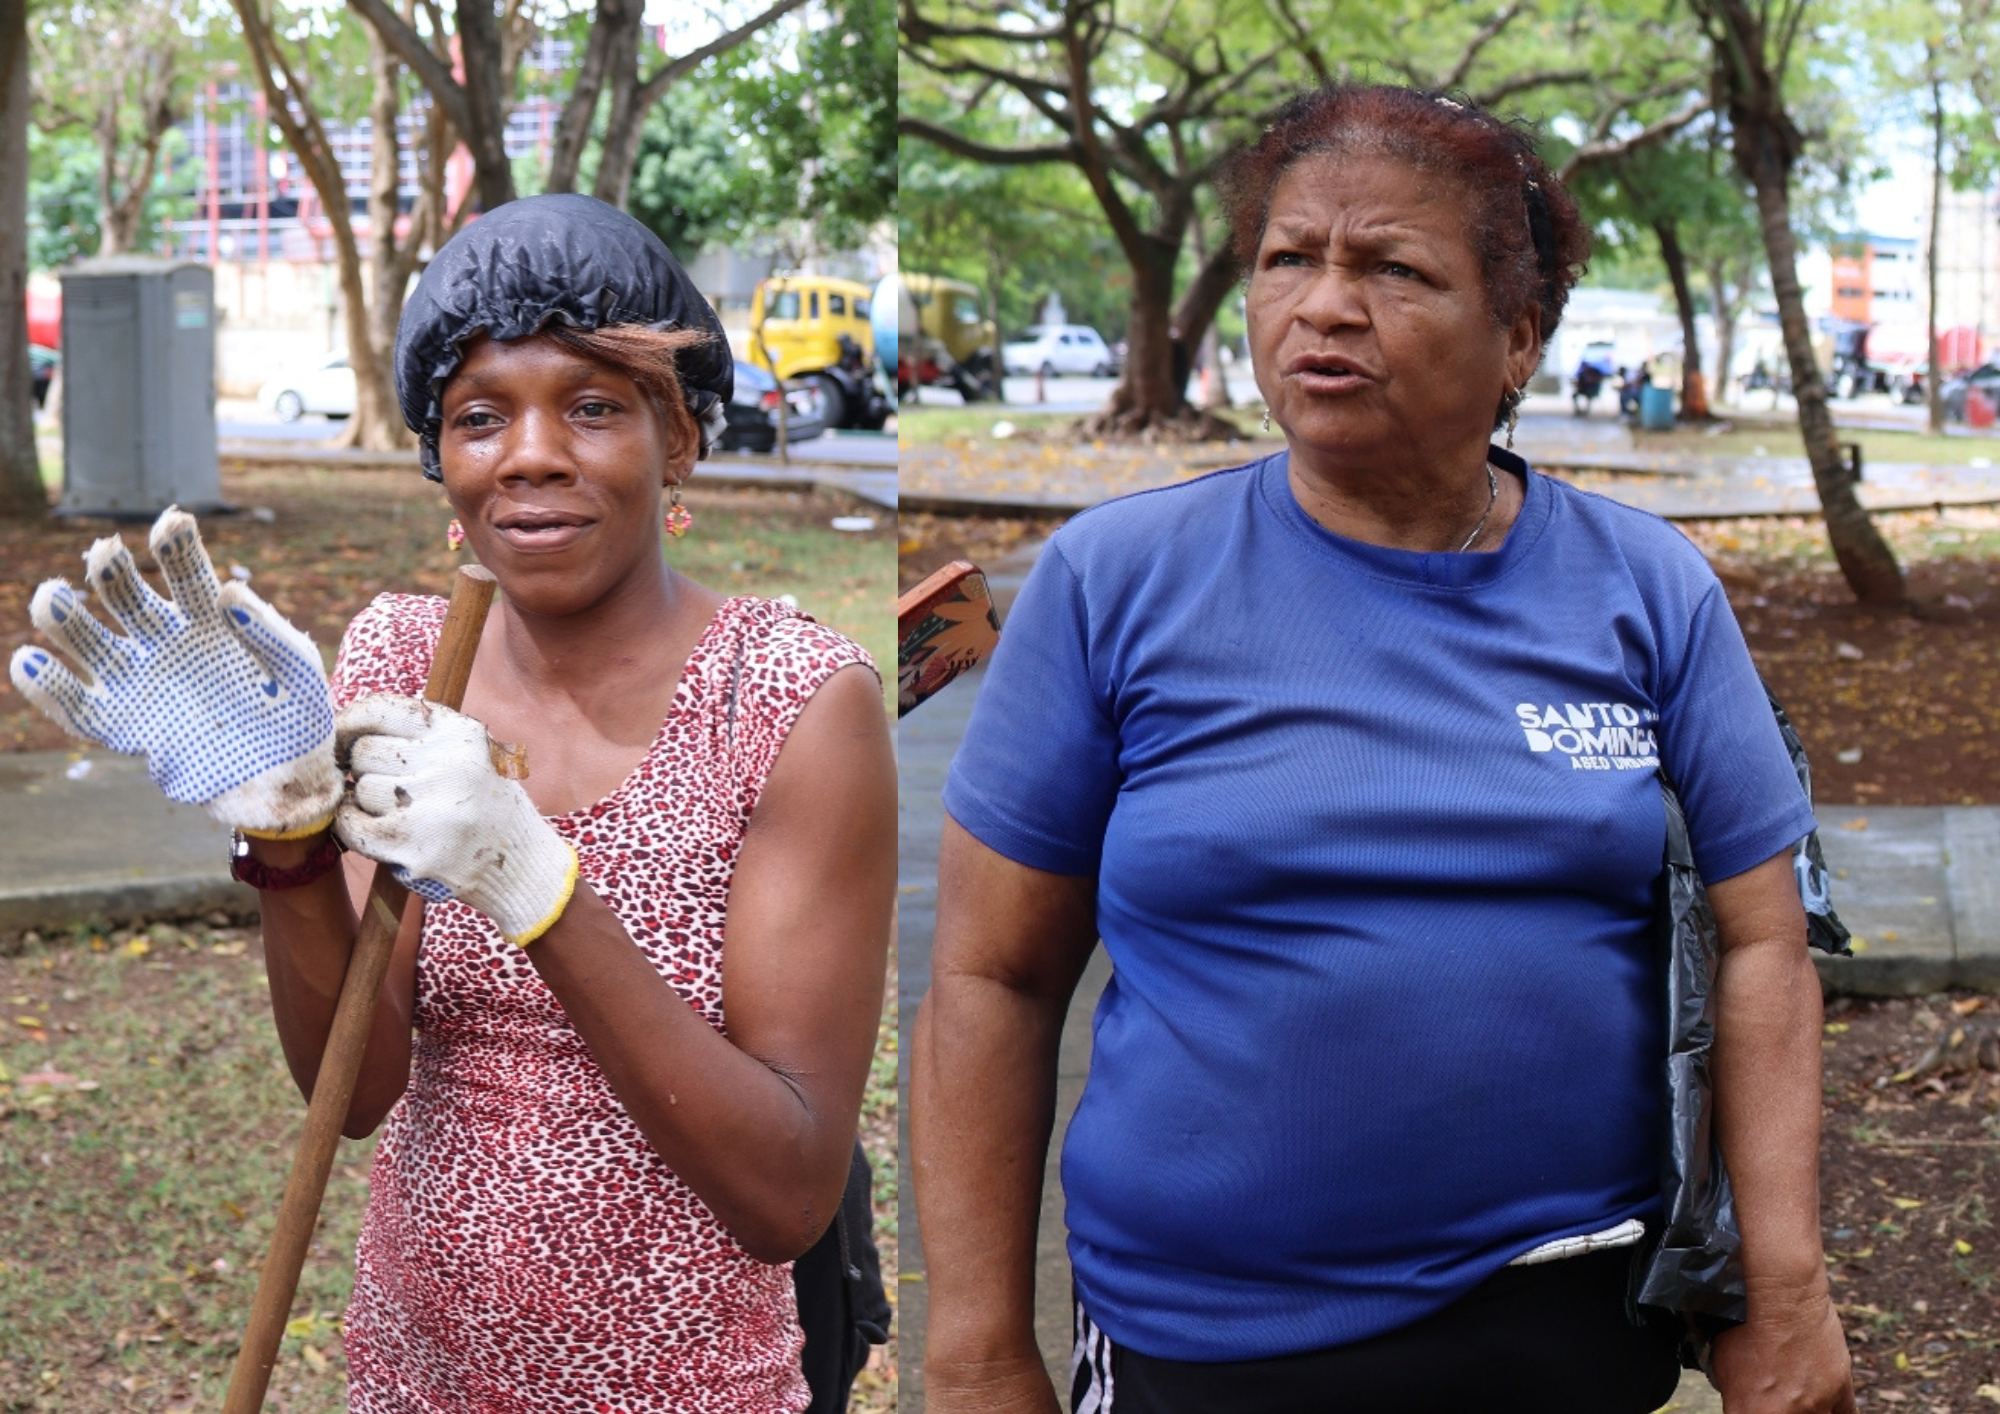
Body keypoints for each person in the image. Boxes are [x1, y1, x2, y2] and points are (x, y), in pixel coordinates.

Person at [913, 86, 1854, 1414]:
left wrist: (1786, 1282)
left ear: (1517, 336)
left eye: (1392, 267)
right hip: (1204, 1345)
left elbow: (1765, 939)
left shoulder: (1647, 588)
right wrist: (972, 1350)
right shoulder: (1114, 584)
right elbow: (991, 976)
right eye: (1290, 257)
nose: (1326, 304)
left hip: (1571, 1323)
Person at [11, 194, 895, 1413]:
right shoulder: (406, 659)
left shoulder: (793, 701)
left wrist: (533, 885)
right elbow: (354, 1089)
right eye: (481, 417)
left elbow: (788, 1193)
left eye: (592, 406)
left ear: (679, 435)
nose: (530, 452)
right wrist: (288, 846)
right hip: (412, 1376)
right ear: (442, 458)